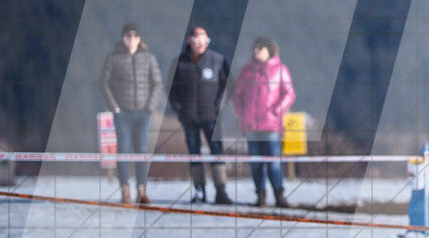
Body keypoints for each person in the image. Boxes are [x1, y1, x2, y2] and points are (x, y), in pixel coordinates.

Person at [100, 22, 163, 205]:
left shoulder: (149, 58)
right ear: (123, 38)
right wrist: (114, 107)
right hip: (123, 114)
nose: (132, 39)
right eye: (128, 35)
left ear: (140, 38)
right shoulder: (113, 58)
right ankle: (125, 191)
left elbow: (157, 83)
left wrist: (150, 107)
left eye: (135, 35)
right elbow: (104, 84)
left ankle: (141, 191)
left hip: (143, 113)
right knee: (123, 151)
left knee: (142, 151)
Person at [168, 26, 232, 204]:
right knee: (194, 153)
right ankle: (199, 191)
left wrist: (218, 106)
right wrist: (180, 109)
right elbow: (171, 91)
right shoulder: (179, 63)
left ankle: (221, 191)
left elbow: (227, 86)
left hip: (212, 117)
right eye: (197, 41)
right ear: (190, 41)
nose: (200, 44)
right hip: (189, 117)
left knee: (217, 152)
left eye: (204, 41)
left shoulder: (217, 60)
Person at [232, 36, 296, 208]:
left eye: (260, 48)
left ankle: (279, 196)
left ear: (269, 50)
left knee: (274, 162)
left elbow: (289, 93)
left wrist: (276, 110)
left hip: (271, 125)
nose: (256, 51)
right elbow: (236, 95)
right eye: (255, 48)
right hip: (251, 125)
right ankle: (260, 196)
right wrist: (242, 112)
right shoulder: (246, 71)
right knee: (256, 163)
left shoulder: (280, 69)